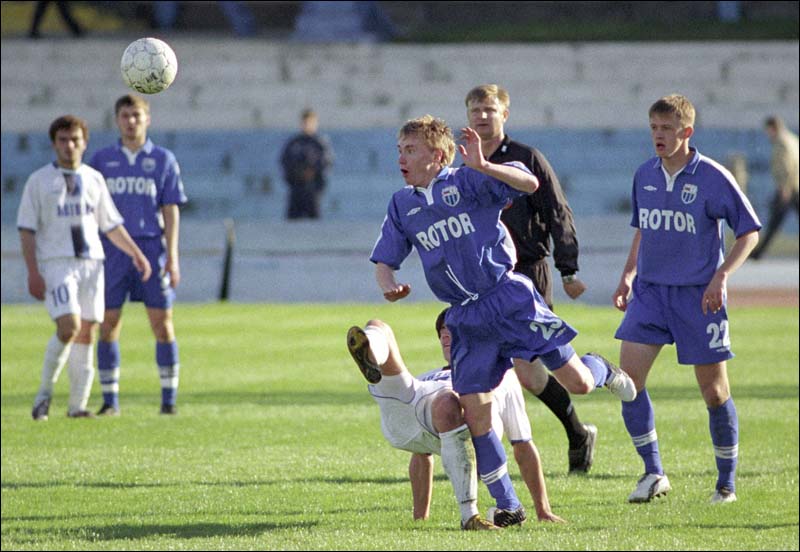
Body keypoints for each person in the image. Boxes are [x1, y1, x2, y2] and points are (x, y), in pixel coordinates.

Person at [369, 114, 637, 526]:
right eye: (399, 150)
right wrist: (388, 283)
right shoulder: (402, 204)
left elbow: (529, 183)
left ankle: (601, 368)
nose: (401, 158)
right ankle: (508, 504)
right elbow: (384, 261)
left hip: (509, 299)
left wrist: (483, 164)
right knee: (475, 412)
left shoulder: (467, 180)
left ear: (437, 156)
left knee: (579, 384)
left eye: (410, 150)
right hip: (465, 317)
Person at [612, 94, 761, 505]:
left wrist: (721, 275)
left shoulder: (712, 177)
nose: (658, 136)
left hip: (698, 297)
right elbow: (643, 229)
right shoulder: (644, 174)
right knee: (627, 384)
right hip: (650, 293)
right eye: (654, 128)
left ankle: (726, 485)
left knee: (714, 392)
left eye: (667, 129)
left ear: (687, 132)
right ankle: (653, 472)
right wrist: (628, 275)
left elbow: (749, 232)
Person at [464, 84, 597, 474]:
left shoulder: (526, 158)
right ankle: (565, 437)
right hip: (485, 280)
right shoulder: (464, 162)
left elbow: (557, 210)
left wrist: (568, 268)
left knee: (530, 369)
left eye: (489, 109)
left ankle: (580, 419)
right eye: (475, 110)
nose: (482, 116)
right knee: (512, 371)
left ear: (504, 114)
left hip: (526, 273)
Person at [346, 314, 564, 529]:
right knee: (377, 325)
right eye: (442, 332)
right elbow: (420, 452)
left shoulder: (505, 377)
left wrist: (543, 510)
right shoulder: (427, 377)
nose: (445, 336)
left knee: (447, 403)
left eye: (450, 330)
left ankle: (469, 516)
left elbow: (522, 445)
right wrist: (419, 518)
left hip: (461, 418)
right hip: (411, 408)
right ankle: (372, 354)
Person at [18, 115, 151, 420]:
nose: (69, 145)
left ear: (84, 142)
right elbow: (27, 229)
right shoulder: (39, 181)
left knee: (87, 332)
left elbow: (110, 224)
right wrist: (33, 271)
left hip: (92, 263)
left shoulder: (94, 179)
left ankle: (77, 406)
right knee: (69, 327)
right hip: (57, 263)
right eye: (63, 140)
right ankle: (43, 395)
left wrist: (136, 254)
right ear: (54, 144)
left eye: (75, 139)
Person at [88, 95, 187, 416]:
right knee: (108, 323)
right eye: (125, 116)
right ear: (117, 120)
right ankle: (110, 401)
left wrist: (172, 256)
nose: (131, 121)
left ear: (147, 119)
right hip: (111, 251)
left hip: (152, 248)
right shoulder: (102, 160)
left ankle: (168, 401)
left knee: (162, 324)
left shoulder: (163, 159)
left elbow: (170, 209)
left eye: (136, 115)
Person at [750, 116, 799, 260]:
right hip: (795, 186)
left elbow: (786, 166)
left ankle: (759, 253)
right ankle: (759, 252)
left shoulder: (781, 143)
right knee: (775, 221)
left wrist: (785, 187)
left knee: (774, 222)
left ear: (773, 128)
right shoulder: (792, 139)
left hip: (789, 188)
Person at [280, 109, 334, 220]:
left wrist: (313, 173)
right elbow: (285, 161)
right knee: (292, 223)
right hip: (296, 189)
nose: (307, 126)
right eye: (305, 123)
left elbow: (327, 163)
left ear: (315, 123)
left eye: (310, 123)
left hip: (312, 189)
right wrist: (295, 174)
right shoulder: (294, 143)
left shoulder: (320, 143)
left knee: (314, 223)